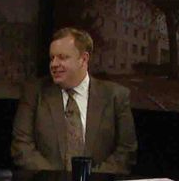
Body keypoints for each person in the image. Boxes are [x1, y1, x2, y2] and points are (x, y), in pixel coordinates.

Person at [11, 27, 137, 173]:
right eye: (52, 58)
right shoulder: (34, 93)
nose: (54, 64)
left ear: (83, 59)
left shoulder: (116, 96)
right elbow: (22, 148)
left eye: (62, 57)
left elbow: (126, 152)